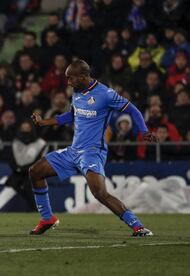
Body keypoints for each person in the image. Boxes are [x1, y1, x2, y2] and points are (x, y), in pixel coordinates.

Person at [30, 59, 157, 237]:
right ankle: (47, 218)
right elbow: (72, 115)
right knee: (35, 171)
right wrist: (45, 122)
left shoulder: (105, 94)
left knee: (99, 193)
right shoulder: (76, 92)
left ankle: (138, 226)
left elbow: (133, 110)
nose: (68, 82)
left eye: (70, 78)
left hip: (92, 152)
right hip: (73, 151)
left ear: (83, 77)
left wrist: (143, 131)